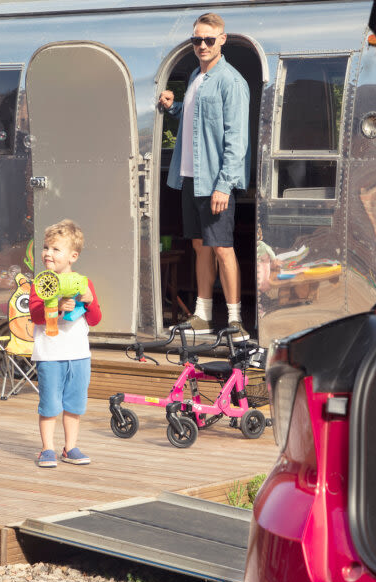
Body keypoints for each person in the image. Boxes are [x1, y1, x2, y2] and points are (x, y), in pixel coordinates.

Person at [159, 12, 251, 341]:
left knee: (223, 248)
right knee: (200, 247)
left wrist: (224, 185)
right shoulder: (197, 78)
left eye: (208, 39)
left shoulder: (232, 81)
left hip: (215, 182)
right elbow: (197, 121)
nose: (202, 45)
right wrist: (174, 106)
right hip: (190, 179)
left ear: (222, 40)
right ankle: (202, 315)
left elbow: (236, 139)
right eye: (197, 40)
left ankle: (236, 320)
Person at [28, 220, 102, 467]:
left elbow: (95, 319)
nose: (48, 253)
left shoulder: (84, 282)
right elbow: (36, 316)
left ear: (73, 256)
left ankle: (70, 448)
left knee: (75, 404)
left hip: (79, 354)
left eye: (55, 249)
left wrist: (89, 301)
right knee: (49, 404)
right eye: (46, 247)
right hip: (49, 354)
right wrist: (57, 307)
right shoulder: (41, 283)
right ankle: (46, 449)